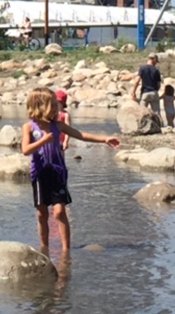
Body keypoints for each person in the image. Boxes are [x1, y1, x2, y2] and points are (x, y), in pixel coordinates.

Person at [21, 87, 120, 258]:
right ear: (39, 106)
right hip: (39, 174)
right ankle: (44, 249)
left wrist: (104, 139)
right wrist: (43, 140)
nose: (56, 108)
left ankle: (66, 251)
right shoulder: (29, 127)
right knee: (41, 212)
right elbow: (25, 150)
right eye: (52, 105)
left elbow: (80, 134)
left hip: (57, 173)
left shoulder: (57, 125)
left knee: (59, 211)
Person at [131, 52, 162, 119]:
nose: (156, 63)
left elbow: (137, 80)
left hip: (145, 93)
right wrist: (155, 91)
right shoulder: (156, 70)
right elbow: (159, 85)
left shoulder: (142, 68)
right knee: (157, 114)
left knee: (142, 113)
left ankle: (141, 127)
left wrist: (133, 92)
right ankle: (160, 127)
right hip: (154, 93)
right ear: (153, 59)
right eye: (156, 61)